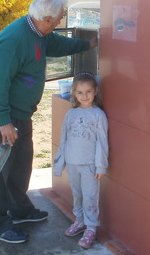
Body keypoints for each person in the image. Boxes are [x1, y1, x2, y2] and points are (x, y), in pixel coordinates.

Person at [0, 0, 96, 244]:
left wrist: (89, 43)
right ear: (47, 19)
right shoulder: (13, 38)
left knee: (21, 165)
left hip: (21, 113)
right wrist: (4, 121)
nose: (60, 23)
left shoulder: (39, 33)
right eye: (59, 19)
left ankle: (19, 210)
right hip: (1, 115)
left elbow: (59, 44)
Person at [53, 71, 109, 250]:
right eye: (80, 92)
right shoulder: (71, 114)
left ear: (95, 91)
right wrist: (60, 162)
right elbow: (64, 139)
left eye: (88, 92)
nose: (84, 96)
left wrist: (100, 165)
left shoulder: (98, 114)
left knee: (90, 197)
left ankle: (91, 227)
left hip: (90, 166)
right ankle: (80, 220)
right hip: (72, 163)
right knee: (77, 194)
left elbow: (102, 142)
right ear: (74, 94)